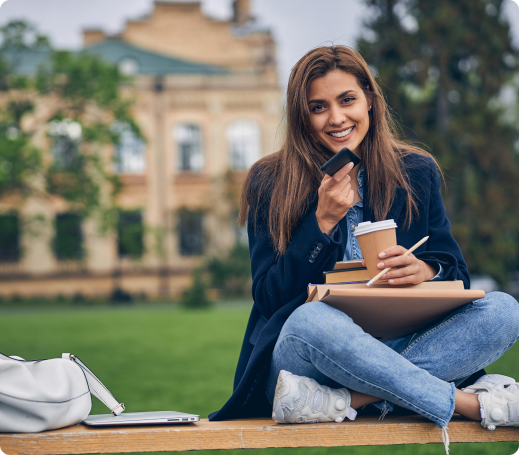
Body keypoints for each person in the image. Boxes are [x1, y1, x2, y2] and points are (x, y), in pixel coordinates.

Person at [209, 45, 519, 451]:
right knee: (313, 320)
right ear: (302, 115)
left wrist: (425, 271)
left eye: (347, 100)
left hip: (397, 344)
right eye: (318, 107)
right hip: (309, 360)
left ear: (369, 100)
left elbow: (454, 271)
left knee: (503, 311)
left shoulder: (416, 171)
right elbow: (270, 298)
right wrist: (321, 223)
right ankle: (466, 404)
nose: (336, 118)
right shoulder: (270, 179)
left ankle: (348, 402)